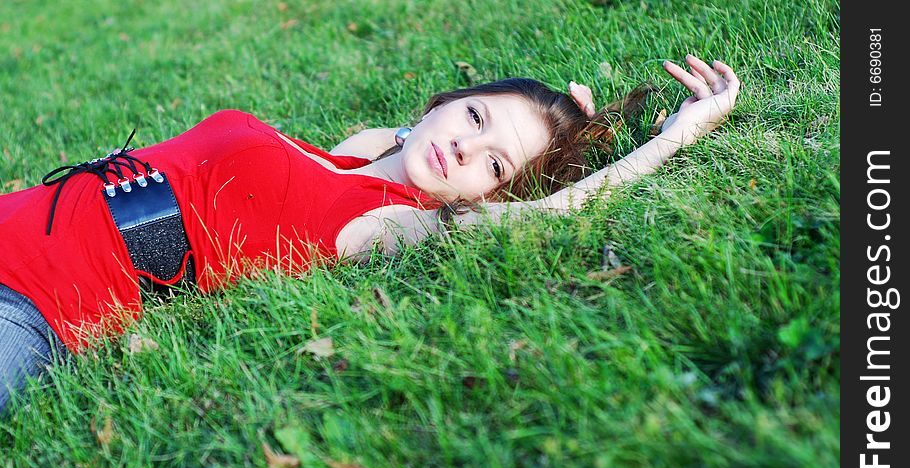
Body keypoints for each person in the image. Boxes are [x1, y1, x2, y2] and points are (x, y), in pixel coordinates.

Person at [0, 54, 740, 410]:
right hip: (17, 215)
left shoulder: (393, 224)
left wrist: (674, 136)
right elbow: (409, 136)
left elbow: (551, 214)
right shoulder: (358, 154)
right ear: (448, 100)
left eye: (493, 165)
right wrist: (568, 112)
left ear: (492, 193)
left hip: (35, 303)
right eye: (475, 119)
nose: (464, 149)